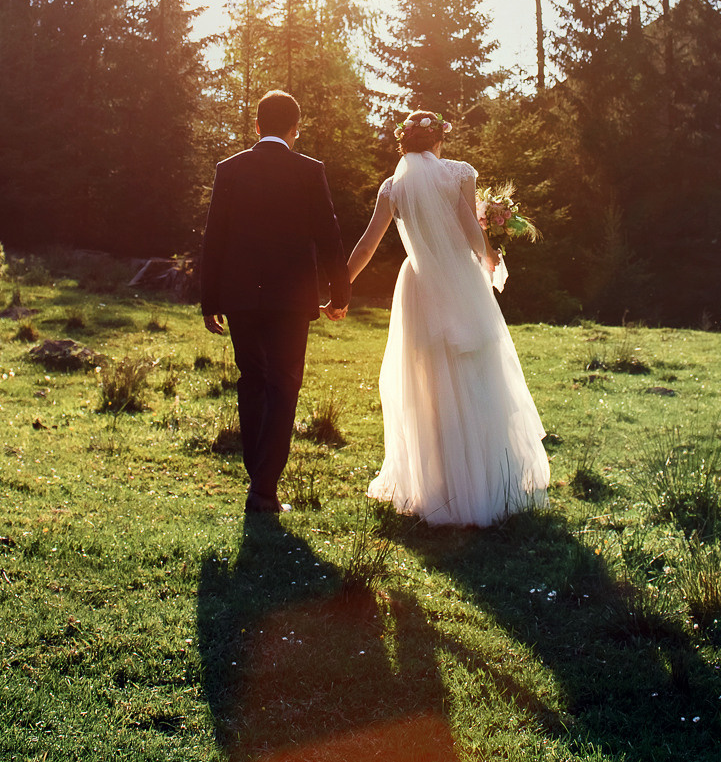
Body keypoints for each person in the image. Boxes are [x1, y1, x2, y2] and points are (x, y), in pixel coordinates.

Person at [344, 111, 550, 526]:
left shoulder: (393, 186)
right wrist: (489, 255)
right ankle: (485, 482)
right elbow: (469, 226)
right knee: (477, 375)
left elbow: (367, 245)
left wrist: (340, 289)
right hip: (459, 281)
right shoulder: (459, 172)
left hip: (419, 283)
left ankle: (437, 485)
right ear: (440, 139)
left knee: (428, 384)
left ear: (404, 142)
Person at [198, 90, 352, 516]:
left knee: (252, 380)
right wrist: (340, 293)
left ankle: (259, 480)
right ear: (295, 129)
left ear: (257, 126)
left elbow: (214, 237)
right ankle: (263, 488)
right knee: (284, 385)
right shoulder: (310, 171)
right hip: (291, 300)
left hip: (241, 298)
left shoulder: (229, 169)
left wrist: (210, 300)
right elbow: (329, 234)